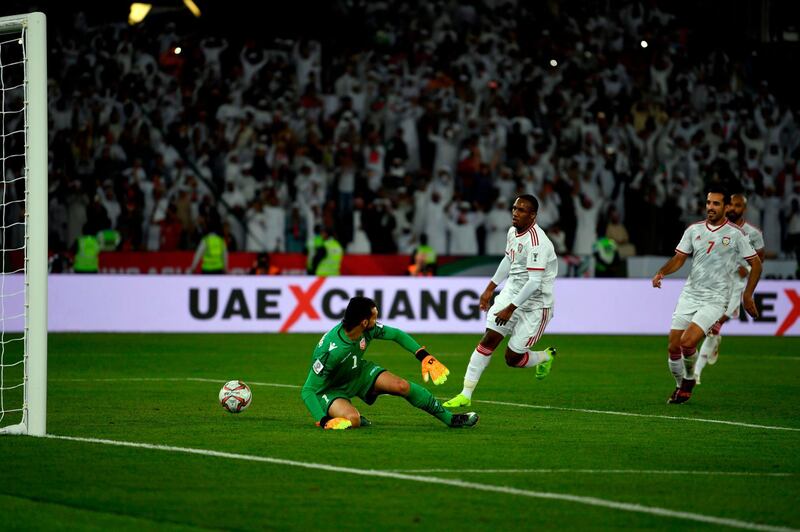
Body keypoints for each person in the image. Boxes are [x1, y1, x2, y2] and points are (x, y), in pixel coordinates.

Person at [444, 194, 558, 408]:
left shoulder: (538, 242)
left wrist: (510, 309)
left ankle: (544, 357)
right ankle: (465, 394)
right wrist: (490, 288)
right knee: (488, 340)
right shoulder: (512, 232)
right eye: (514, 208)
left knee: (512, 358)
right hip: (512, 292)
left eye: (522, 210)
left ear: (533, 215)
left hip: (536, 304)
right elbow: (508, 259)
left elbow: (534, 282)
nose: (515, 213)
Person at [652, 188, 762, 404]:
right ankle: (680, 385)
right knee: (673, 346)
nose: (711, 207)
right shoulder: (694, 230)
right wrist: (662, 272)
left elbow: (756, 264)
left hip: (715, 299)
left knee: (687, 342)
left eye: (716, 204)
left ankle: (689, 379)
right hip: (690, 295)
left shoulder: (736, 235)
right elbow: (679, 258)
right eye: (708, 203)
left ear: (726, 207)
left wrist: (748, 295)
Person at [300, 296, 479, 429]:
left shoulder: (366, 330)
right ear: (363, 322)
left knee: (402, 386)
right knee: (352, 420)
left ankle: (450, 419)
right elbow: (308, 390)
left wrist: (423, 356)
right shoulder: (331, 352)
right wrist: (322, 420)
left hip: (357, 373)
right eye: (374, 317)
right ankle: (354, 416)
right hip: (330, 390)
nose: (376, 321)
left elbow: (396, 334)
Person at [694, 192, 765, 383]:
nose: (733, 209)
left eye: (738, 206)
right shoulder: (716, 228)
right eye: (731, 205)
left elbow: (760, 260)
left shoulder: (754, 233)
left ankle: (697, 372)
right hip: (714, 283)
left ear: (744, 209)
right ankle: (700, 366)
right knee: (708, 326)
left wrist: (748, 268)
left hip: (736, 286)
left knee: (714, 325)